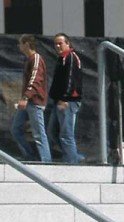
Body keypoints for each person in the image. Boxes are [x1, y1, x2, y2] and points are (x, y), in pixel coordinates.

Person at [10, 34, 51, 163]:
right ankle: (30, 155)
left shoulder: (36, 59)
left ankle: (46, 160)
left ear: (27, 44)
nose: (19, 46)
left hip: (35, 102)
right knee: (16, 129)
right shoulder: (29, 59)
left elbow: (35, 80)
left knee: (39, 133)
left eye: (20, 43)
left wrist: (25, 97)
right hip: (29, 102)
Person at [48, 33, 85, 165]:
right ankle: (74, 156)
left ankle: (71, 161)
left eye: (60, 43)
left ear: (68, 43)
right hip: (59, 101)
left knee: (66, 134)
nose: (58, 46)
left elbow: (71, 80)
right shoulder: (62, 58)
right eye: (56, 44)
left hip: (68, 101)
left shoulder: (70, 57)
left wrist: (65, 98)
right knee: (52, 132)